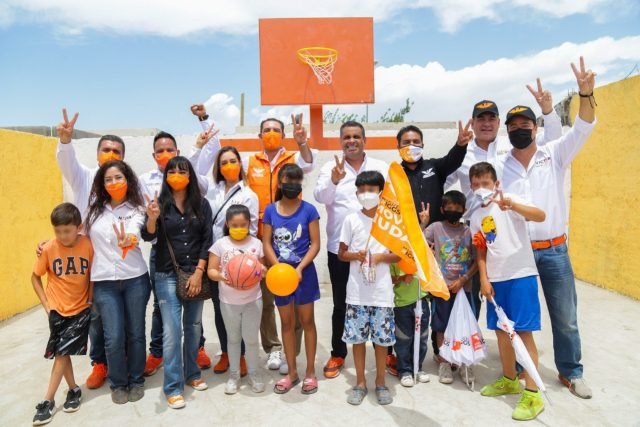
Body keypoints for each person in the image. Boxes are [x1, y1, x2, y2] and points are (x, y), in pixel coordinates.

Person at [496, 57, 597, 399]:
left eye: (525, 123)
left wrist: (586, 94)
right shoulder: (500, 165)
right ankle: (518, 368)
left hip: (553, 249)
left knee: (565, 316)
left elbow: (583, 126)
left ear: (535, 128)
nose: (519, 129)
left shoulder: (555, 154)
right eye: (513, 125)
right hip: (517, 254)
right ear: (507, 131)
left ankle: (571, 372)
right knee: (517, 318)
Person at [193, 104, 312, 373]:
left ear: (283, 135)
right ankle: (273, 348)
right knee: (266, 301)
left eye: (276, 130)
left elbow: (308, 163)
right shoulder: (251, 162)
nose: (271, 133)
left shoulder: (293, 158)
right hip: (262, 241)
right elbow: (219, 154)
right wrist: (204, 122)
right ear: (259, 135)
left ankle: (291, 352)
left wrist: (302, 142)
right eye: (266, 130)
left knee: (293, 298)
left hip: (292, 240)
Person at [445, 84, 562, 320]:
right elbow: (441, 180)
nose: (486, 123)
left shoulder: (513, 147)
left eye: (492, 119)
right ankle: (471, 339)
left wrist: (548, 112)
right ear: (473, 123)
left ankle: (512, 334)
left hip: (511, 231)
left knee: (509, 295)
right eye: (481, 119)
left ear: (499, 123)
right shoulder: (462, 154)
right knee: (473, 294)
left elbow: (552, 140)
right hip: (477, 232)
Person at [53, 109, 136, 390]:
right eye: (105, 149)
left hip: (121, 260)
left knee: (125, 317)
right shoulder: (84, 177)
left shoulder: (125, 186)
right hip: (88, 260)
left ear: (122, 158)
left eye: (116, 151)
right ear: (97, 153)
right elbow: (67, 162)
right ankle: (100, 363)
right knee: (97, 318)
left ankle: (124, 360)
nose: (110, 154)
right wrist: (65, 141)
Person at [469, 162, 546, 421]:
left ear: (496, 184)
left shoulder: (510, 200)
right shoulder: (476, 216)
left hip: (520, 275)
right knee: (502, 332)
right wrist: (483, 278)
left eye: (485, 183)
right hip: (495, 281)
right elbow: (481, 249)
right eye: (476, 184)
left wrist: (512, 205)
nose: (481, 188)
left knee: (523, 333)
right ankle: (510, 379)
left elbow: (540, 215)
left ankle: (533, 393)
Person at [314, 121, 388, 379]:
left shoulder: (381, 167)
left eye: (356, 136)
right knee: (341, 304)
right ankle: (338, 352)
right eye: (346, 137)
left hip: (377, 249)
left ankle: (385, 351)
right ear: (341, 141)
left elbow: (392, 202)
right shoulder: (329, 168)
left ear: (364, 140)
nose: (351, 141)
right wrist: (334, 181)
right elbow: (320, 197)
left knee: (380, 302)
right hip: (341, 249)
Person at [396, 121, 472, 370]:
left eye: (415, 142)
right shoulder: (394, 174)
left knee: (438, 300)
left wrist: (460, 144)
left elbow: (452, 160)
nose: (411, 146)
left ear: (423, 144)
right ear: (398, 147)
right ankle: (402, 354)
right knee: (408, 300)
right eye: (406, 142)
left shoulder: (433, 167)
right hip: (408, 245)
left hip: (437, 245)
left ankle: (442, 352)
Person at [141, 130, 214, 377]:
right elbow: (148, 236)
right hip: (165, 270)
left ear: (190, 175)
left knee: (192, 325)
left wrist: (199, 272)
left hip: (195, 269)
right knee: (171, 328)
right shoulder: (158, 201)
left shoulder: (201, 203)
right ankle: (172, 381)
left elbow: (206, 239)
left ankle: (192, 373)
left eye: (182, 171)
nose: (176, 175)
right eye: (171, 172)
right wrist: (152, 219)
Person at [85, 160, 150, 404]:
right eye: (108, 179)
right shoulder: (93, 210)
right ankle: (118, 383)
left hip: (135, 279)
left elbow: (135, 228)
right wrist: (48, 246)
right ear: (102, 184)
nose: (113, 182)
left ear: (128, 180)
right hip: (104, 282)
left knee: (135, 333)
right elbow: (76, 235)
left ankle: (136, 380)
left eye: (118, 177)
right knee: (113, 336)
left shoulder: (137, 208)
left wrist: (129, 240)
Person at [339, 171, 400, 406]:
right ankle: (360, 383)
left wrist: (381, 257)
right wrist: (356, 255)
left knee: (382, 341)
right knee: (357, 340)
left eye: (371, 190)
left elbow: (399, 255)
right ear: (356, 192)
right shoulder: (351, 220)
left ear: (381, 193)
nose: (366, 194)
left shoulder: (389, 222)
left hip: (382, 294)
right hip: (357, 294)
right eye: (362, 190)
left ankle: (381, 382)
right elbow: (341, 253)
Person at [31, 203, 93, 425]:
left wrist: (90, 298)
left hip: (79, 309)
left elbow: (93, 273)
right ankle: (74, 390)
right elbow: (35, 277)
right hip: (56, 309)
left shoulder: (88, 244)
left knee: (61, 353)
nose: (62, 236)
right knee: (62, 352)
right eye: (57, 231)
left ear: (79, 227)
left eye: (67, 231)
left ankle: (48, 401)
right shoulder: (49, 248)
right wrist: (46, 305)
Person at [263, 164, 321, 395]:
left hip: (304, 275)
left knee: (307, 322)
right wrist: (278, 268)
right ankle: (292, 373)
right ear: (279, 183)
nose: (293, 185)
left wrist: (300, 267)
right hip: (280, 278)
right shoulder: (270, 210)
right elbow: (267, 242)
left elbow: (315, 244)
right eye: (288, 180)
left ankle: (310, 373)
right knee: (286, 324)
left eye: (297, 181)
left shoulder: (309, 210)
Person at [205, 146, 259, 376]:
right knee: (221, 309)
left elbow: (252, 229)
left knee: (242, 309)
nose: (228, 166)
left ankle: (243, 355)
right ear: (218, 167)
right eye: (224, 162)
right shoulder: (211, 191)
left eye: (233, 161)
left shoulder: (249, 195)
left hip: (240, 261)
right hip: (217, 255)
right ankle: (227, 352)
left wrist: (245, 262)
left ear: (240, 164)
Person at [207, 205, 266, 395]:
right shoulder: (220, 244)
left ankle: (254, 374)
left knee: (251, 340)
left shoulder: (256, 243)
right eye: (234, 225)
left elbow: (263, 269)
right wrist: (222, 276)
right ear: (227, 224)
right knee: (233, 339)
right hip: (228, 301)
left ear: (249, 223)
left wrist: (261, 271)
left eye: (243, 225)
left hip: (253, 300)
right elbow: (211, 270)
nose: (239, 228)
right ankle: (234, 375)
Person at [424, 190, 477, 385]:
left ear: (464, 210)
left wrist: (463, 279)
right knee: (442, 327)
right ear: (442, 209)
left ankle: (465, 361)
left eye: (457, 208)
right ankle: (445, 362)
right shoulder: (436, 228)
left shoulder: (469, 232)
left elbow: (476, 261)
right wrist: (423, 223)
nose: (453, 210)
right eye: (449, 207)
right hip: (442, 289)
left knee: (465, 326)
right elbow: (418, 243)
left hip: (464, 289)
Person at [389, 262, 429, 388]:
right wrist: (402, 278)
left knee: (422, 337)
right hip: (402, 304)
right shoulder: (395, 257)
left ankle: (417, 367)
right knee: (403, 339)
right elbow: (390, 279)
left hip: (421, 300)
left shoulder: (420, 254)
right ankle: (404, 370)